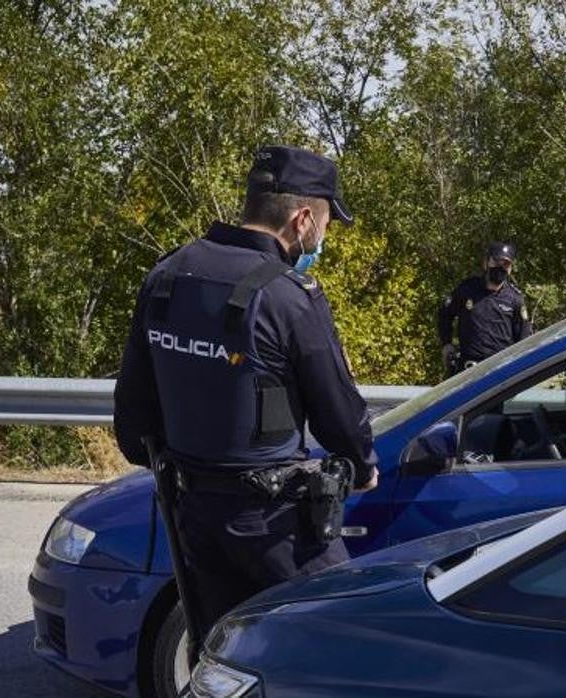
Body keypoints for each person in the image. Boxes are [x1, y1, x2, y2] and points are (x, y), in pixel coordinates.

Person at [112, 145, 379, 641]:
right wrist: (363, 465)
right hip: (274, 523)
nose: (323, 238)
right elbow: (336, 407)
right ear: (302, 220)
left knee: (226, 650)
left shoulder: (168, 275)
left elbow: (133, 407)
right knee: (338, 637)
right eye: (324, 224)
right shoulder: (289, 297)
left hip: (193, 514)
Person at [438, 241, 532, 376]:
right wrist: (446, 344)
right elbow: (445, 314)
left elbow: (524, 337)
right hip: (467, 369)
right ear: (486, 262)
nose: (501, 267)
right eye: (497, 261)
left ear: (511, 268)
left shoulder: (515, 299)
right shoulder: (467, 289)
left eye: (506, 264)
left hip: (500, 371)